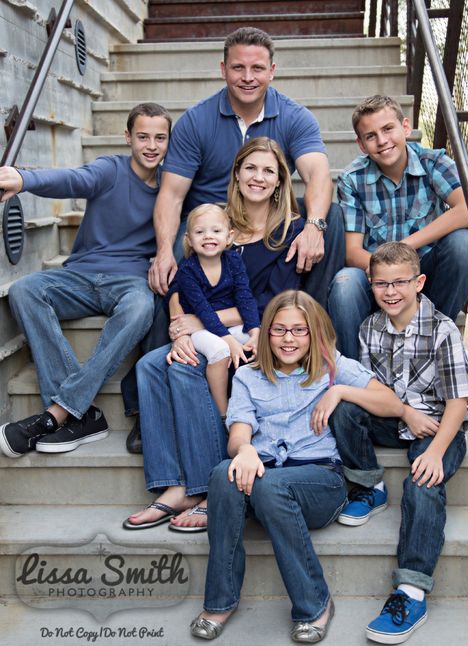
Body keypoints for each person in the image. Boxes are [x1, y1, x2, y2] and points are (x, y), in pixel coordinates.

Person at [121, 27, 345, 441]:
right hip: (210, 226)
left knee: (333, 221)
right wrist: (165, 252)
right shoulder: (197, 120)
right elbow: (171, 195)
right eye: (238, 67)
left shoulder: (294, 116)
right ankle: (144, 403)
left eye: (257, 68)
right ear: (223, 69)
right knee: (163, 268)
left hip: (266, 225)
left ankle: (310, 341)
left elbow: (317, 174)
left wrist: (314, 226)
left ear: (272, 71)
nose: (247, 76)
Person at [189, 290, 404, 643]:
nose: (289, 339)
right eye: (279, 330)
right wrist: (243, 450)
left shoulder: (331, 366)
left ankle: (315, 604)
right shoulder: (248, 377)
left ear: (314, 332)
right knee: (222, 475)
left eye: (299, 330)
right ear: (267, 333)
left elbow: (391, 402)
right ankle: (220, 601)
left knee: (272, 485)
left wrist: (339, 392)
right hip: (263, 478)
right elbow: (238, 432)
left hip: (319, 481)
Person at [123, 137, 305, 532]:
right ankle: (172, 484)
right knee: (150, 366)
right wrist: (178, 324)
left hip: (255, 336)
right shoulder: (217, 225)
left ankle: (207, 486)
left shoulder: (290, 231)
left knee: (183, 370)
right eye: (250, 168)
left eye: (268, 171)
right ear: (237, 174)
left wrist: (200, 324)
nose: (258, 177)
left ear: (280, 181)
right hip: (203, 328)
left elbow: (272, 302)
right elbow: (181, 283)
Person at [0, 103, 172, 457]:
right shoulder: (110, 169)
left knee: (142, 307)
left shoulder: (172, 188)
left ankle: (59, 412)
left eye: (160, 137)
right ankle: (82, 413)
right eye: (142, 137)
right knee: (24, 290)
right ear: (128, 137)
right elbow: (73, 180)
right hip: (79, 275)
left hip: (129, 280)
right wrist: (24, 178)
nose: (151, 146)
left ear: (169, 141)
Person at [330, 242, 468, 644]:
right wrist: (347, 395)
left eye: (400, 283)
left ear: (420, 282)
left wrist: (435, 451)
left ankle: (411, 590)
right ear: (371, 286)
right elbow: (371, 389)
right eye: (380, 284)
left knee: (423, 483)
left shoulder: (442, 329)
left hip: (439, 424)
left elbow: (459, 403)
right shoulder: (369, 328)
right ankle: (369, 485)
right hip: (394, 416)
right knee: (344, 405)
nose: (390, 292)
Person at [328, 94, 468, 359]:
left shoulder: (434, 163)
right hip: (377, 277)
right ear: (361, 145)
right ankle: (355, 375)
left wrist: (403, 249)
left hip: (425, 272)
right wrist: (389, 274)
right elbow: (352, 251)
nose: (382, 141)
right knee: (345, 283)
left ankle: (431, 344)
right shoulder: (352, 179)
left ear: (405, 127)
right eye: (370, 136)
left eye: (388, 129)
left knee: (465, 243)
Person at [169, 203, 260, 415]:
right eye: (200, 232)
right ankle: (223, 411)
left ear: (229, 237)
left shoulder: (234, 260)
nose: (208, 236)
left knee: (262, 342)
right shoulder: (188, 270)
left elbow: (245, 296)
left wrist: (255, 331)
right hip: (199, 327)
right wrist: (229, 340)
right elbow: (203, 311)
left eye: (216, 231)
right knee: (220, 352)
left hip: (226, 325)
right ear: (189, 240)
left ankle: (257, 404)